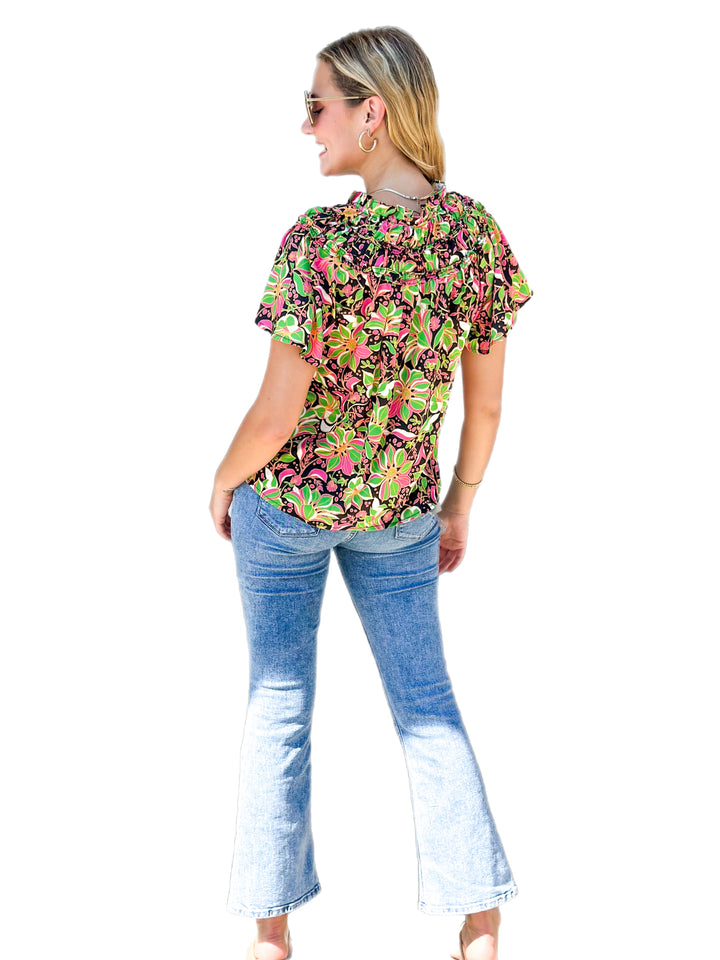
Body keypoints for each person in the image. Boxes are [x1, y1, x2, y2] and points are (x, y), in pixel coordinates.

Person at [209, 26, 533, 960]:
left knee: (279, 702)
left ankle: (271, 935)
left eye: (317, 107)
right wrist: (459, 504)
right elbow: (486, 406)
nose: (307, 127)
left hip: (291, 510)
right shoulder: (475, 236)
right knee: (426, 702)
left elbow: (276, 416)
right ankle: (479, 923)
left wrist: (222, 482)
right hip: (399, 515)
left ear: (372, 113)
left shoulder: (320, 242)